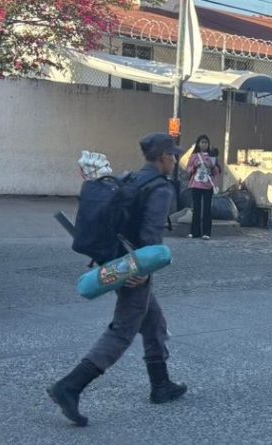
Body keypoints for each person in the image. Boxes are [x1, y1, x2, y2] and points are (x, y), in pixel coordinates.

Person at [48, 133, 187, 426]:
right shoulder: (160, 189)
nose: (175, 160)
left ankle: (161, 384)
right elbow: (150, 237)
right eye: (172, 155)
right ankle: (70, 386)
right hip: (133, 266)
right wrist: (141, 270)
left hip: (117, 258)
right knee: (122, 330)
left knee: (154, 322)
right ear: (162, 157)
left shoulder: (131, 179)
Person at [186, 134, 221, 240]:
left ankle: (206, 232)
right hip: (196, 184)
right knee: (196, 209)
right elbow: (188, 169)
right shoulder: (194, 156)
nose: (204, 144)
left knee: (207, 209)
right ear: (198, 144)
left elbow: (217, 172)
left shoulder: (212, 157)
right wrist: (194, 167)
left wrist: (212, 166)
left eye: (206, 142)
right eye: (202, 142)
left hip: (208, 186)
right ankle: (194, 232)